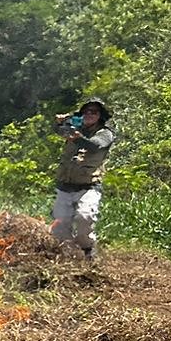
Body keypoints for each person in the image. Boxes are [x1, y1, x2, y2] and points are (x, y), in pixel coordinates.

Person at [52, 97, 116, 263]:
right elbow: (58, 131)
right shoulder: (74, 128)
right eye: (86, 111)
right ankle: (68, 255)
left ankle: (87, 250)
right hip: (65, 185)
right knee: (60, 226)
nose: (89, 115)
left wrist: (77, 137)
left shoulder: (105, 133)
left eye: (94, 112)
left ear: (100, 116)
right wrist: (61, 123)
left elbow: (93, 146)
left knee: (85, 218)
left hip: (88, 186)